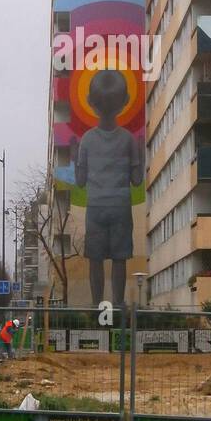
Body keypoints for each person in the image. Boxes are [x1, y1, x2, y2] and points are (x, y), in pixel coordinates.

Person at [74, 68, 143, 308]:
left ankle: (96, 305)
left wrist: (76, 158)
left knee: (95, 259)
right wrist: (141, 154)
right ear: (125, 102)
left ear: (91, 102)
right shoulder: (128, 140)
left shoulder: (87, 140)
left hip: (95, 207)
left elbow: (80, 181)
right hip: (121, 206)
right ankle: (118, 302)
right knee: (119, 258)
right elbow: (137, 180)